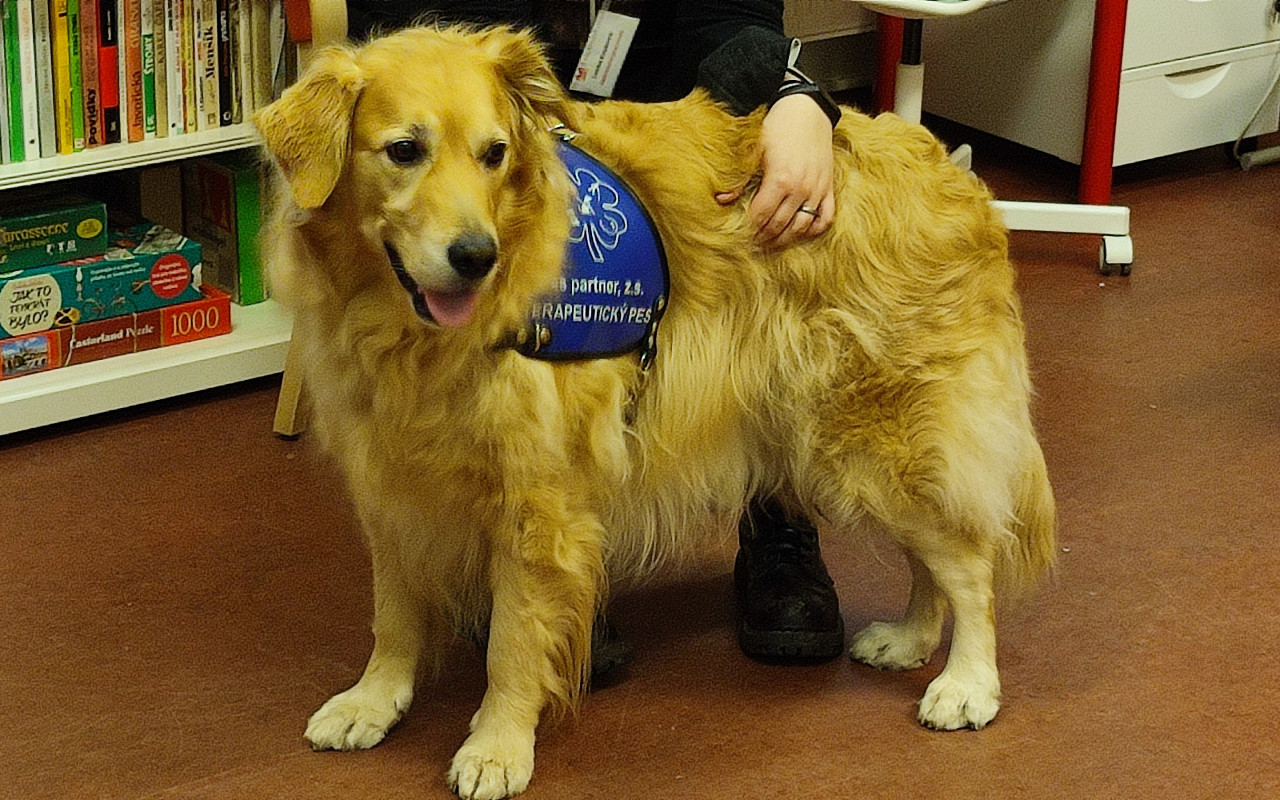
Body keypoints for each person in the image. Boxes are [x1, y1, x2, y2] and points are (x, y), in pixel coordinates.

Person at [345, 0, 846, 665]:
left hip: (669, 128)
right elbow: (418, 57)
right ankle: (518, 540)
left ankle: (775, 509)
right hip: (493, 135)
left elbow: (728, 13)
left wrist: (794, 95)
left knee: (777, 222)